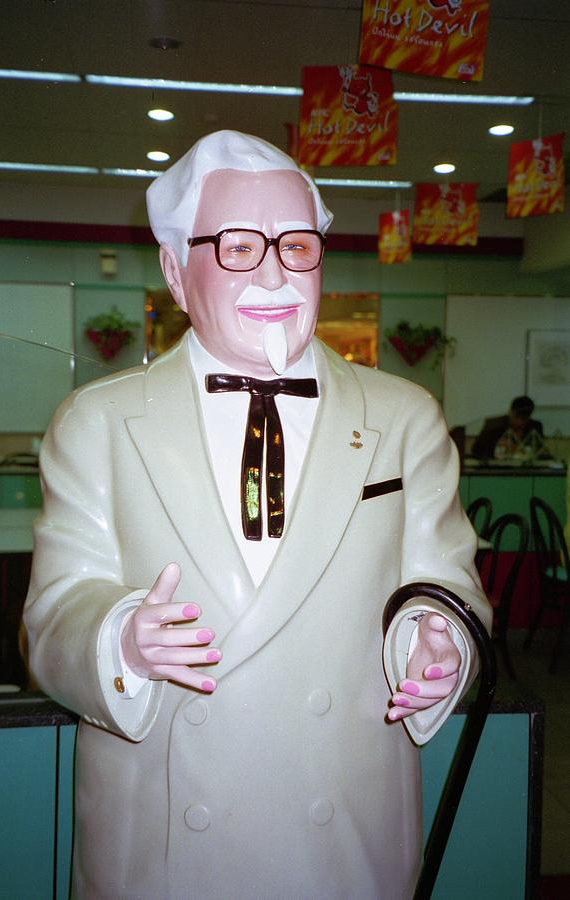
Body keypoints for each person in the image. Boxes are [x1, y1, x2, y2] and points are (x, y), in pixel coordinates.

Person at [24, 131, 490, 900]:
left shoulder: (404, 417)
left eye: (296, 244)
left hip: (345, 828)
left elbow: (450, 589)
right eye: (238, 246)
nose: (274, 271)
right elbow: (50, 618)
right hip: (164, 840)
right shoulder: (96, 423)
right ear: (177, 274)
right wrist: (118, 638)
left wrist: (438, 652)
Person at [471, 395, 544, 459]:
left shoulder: (535, 426)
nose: (520, 422)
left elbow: (539, 451)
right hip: (497, 469)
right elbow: (476, 450)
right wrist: (498, 448)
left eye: (524, 419)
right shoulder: (493, 425)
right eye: (516, 417)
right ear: (510, 412)